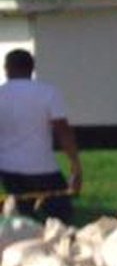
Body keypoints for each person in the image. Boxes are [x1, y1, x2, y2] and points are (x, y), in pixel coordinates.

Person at [0, 50, 82, 224]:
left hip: (8, 170)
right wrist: (75, 165)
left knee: (22, 219)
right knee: (60, 219)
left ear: (6, 69)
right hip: (43, 169)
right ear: (32, 68)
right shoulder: (48, 92)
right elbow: (63, 130)